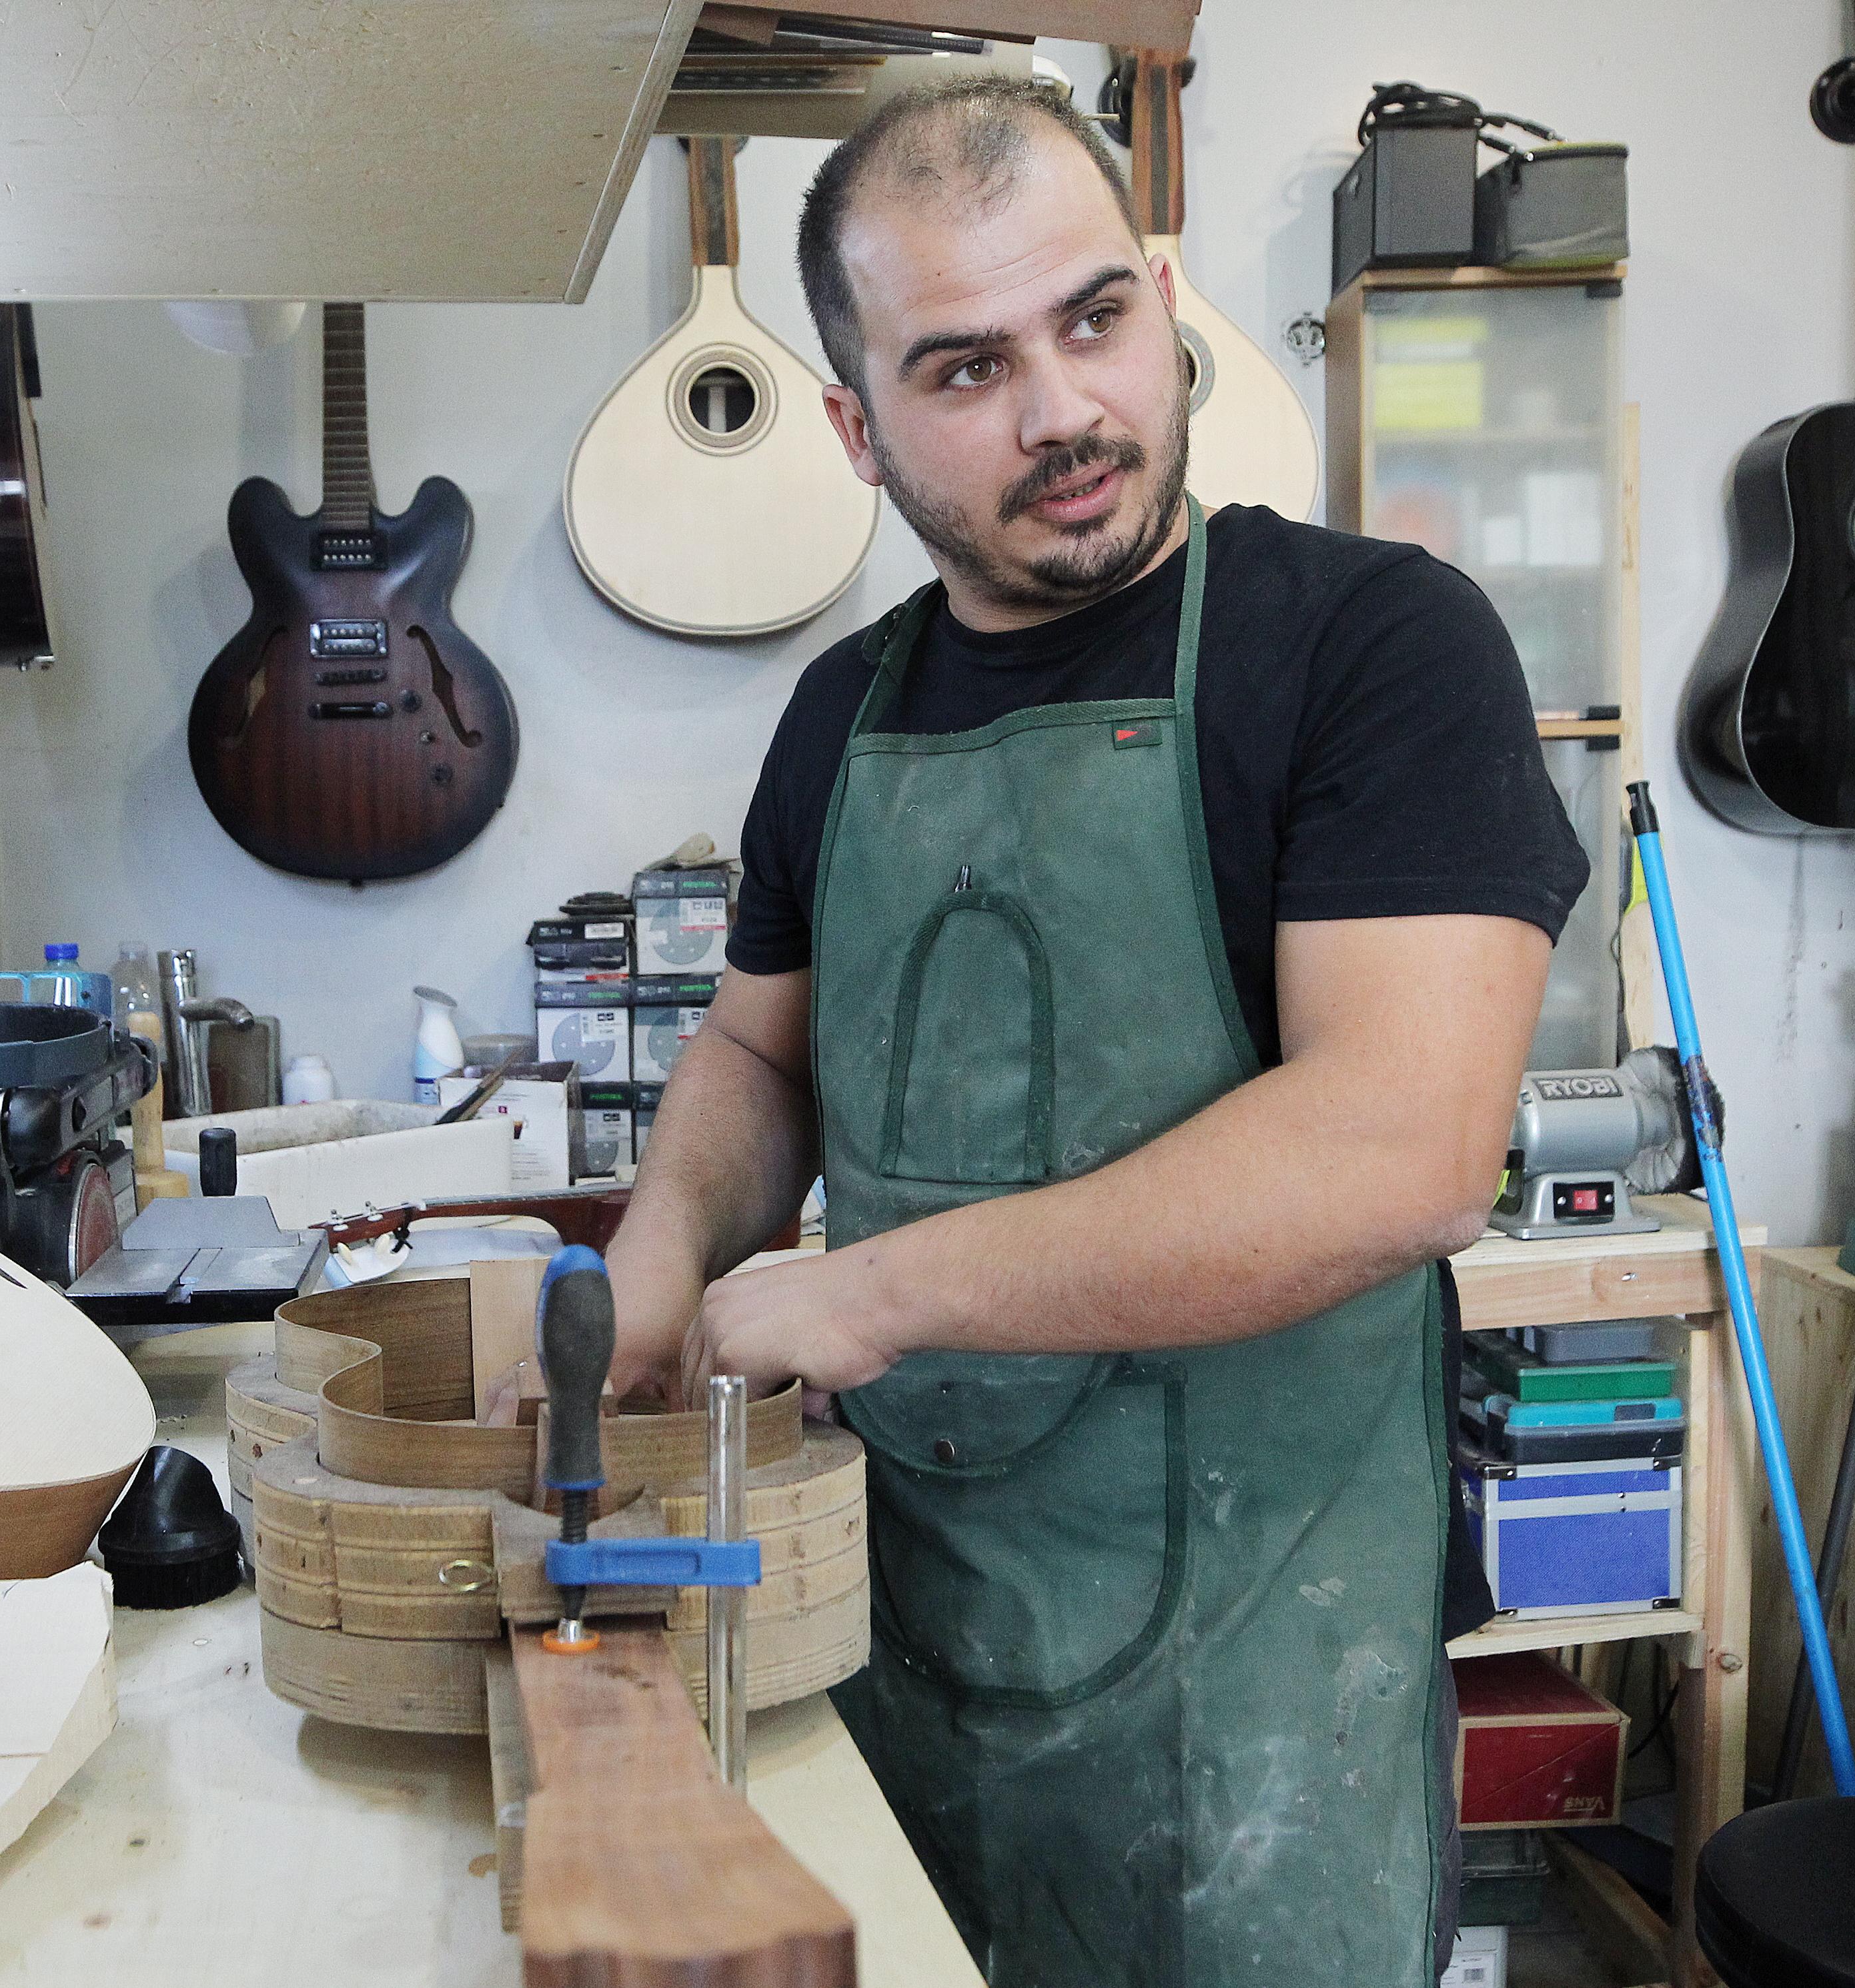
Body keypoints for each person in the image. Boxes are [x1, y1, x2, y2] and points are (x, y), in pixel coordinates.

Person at [601, 75, 1589, 1988]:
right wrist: (662, 1243)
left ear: (1163, 297)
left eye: (1095, 321)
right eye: (964, 369)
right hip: (895, 1651)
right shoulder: (840, 718)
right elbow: (756, 1059)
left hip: (1262, 1696)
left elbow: (1400, 1147)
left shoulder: (1376, 646)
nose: (1062, 411)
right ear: (855, 428)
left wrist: (875, 1292)